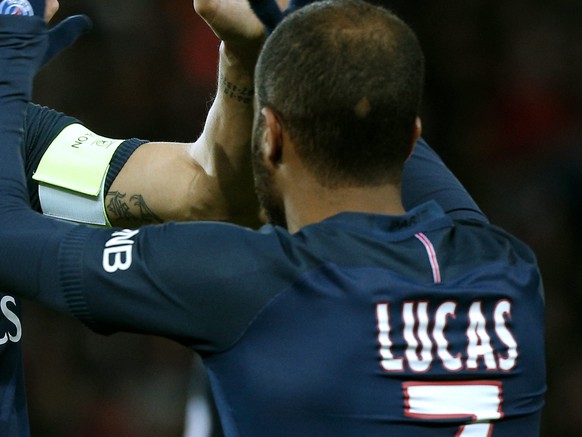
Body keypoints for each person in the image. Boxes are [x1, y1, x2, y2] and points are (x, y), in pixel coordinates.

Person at [0, 0, 546, 436]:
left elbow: (198, 194)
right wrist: (268, 27)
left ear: (272, 136)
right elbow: (367, 103)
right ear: (412, 138)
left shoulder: (249, 284)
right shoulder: (511, 273)